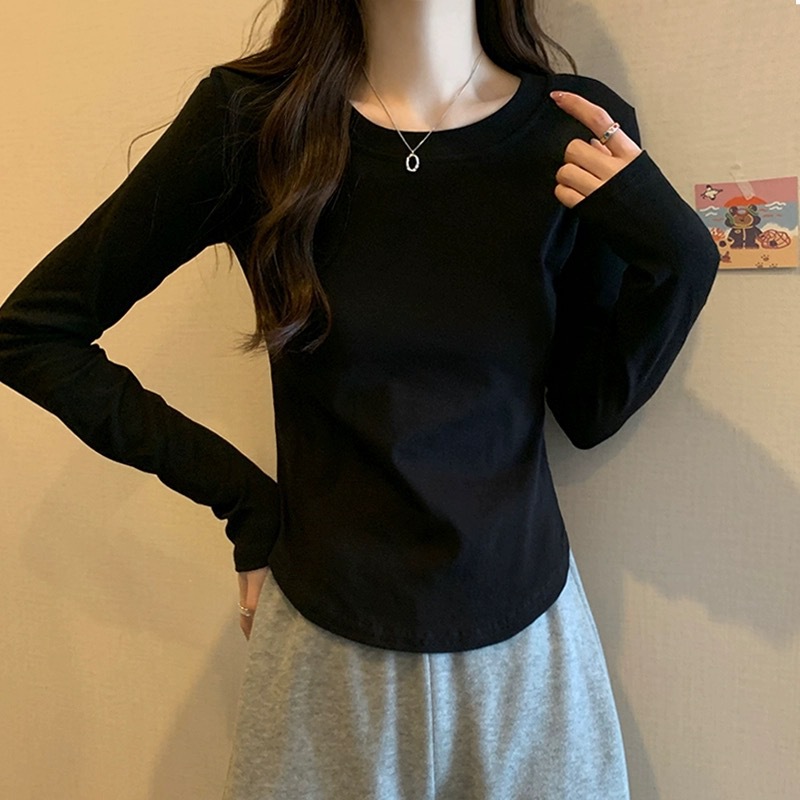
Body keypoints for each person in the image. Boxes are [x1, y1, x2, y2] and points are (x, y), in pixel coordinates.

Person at [0, 1, 720, 798]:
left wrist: (681, 258)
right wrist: (247, 503)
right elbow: (33, 333)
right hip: (322, 645)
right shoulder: (256, 121)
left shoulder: (574, 128)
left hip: (527, 646)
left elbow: (588, 411)